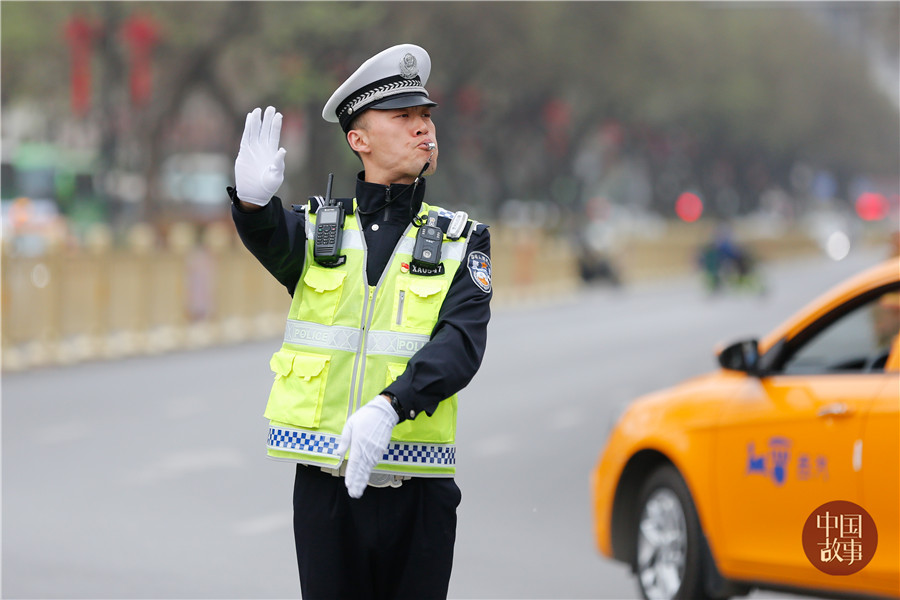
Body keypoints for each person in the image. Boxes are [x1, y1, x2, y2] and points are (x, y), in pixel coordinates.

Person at [228, 44, 491, 599]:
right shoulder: (320, 231)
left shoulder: (461, 239)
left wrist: (390, 405)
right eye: (404, 118)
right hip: (326, 492)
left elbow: (461, 344)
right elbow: (272, 238)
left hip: (417, 489)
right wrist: (252, 204)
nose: (424, 129)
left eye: (426, 117)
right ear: (359, 140)